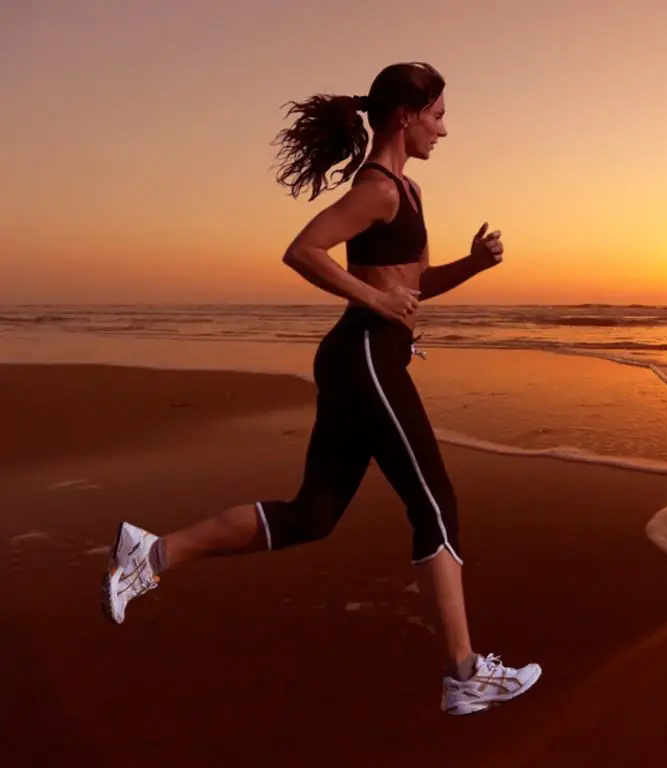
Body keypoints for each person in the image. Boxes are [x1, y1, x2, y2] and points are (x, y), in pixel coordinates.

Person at [100, 61, 541, 716]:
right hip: (365, 357)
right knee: (435, 503)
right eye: (439, 116)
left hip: (364, 358)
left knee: (313, 516)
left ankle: (150, 554)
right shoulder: (379, 189)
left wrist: (473, 266)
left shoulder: (410, 192)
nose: (444, 131)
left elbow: (412, 287)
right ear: (405, 117)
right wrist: (373, 299)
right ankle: (463, 671)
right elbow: (304, 249)